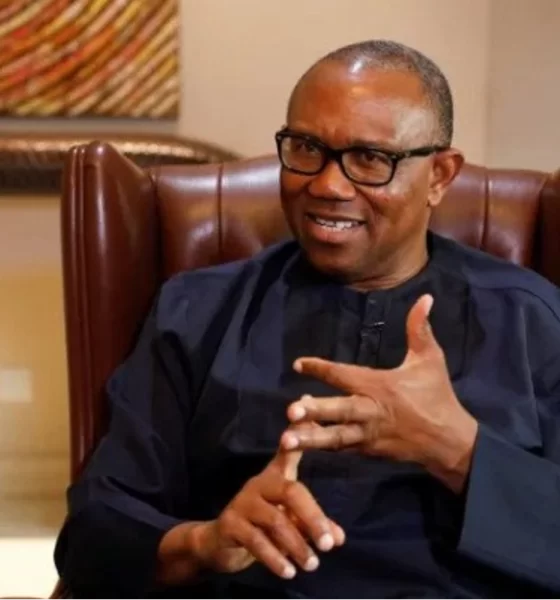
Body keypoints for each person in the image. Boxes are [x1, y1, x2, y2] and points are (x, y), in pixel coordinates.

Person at [55, 40, 560, 599]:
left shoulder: (532, 320)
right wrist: (204, 542)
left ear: (440, 175)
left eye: (370, 158)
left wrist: (458, 451)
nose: (326, 185)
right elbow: (93, 535)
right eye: (306, 148)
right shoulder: (197, 313)